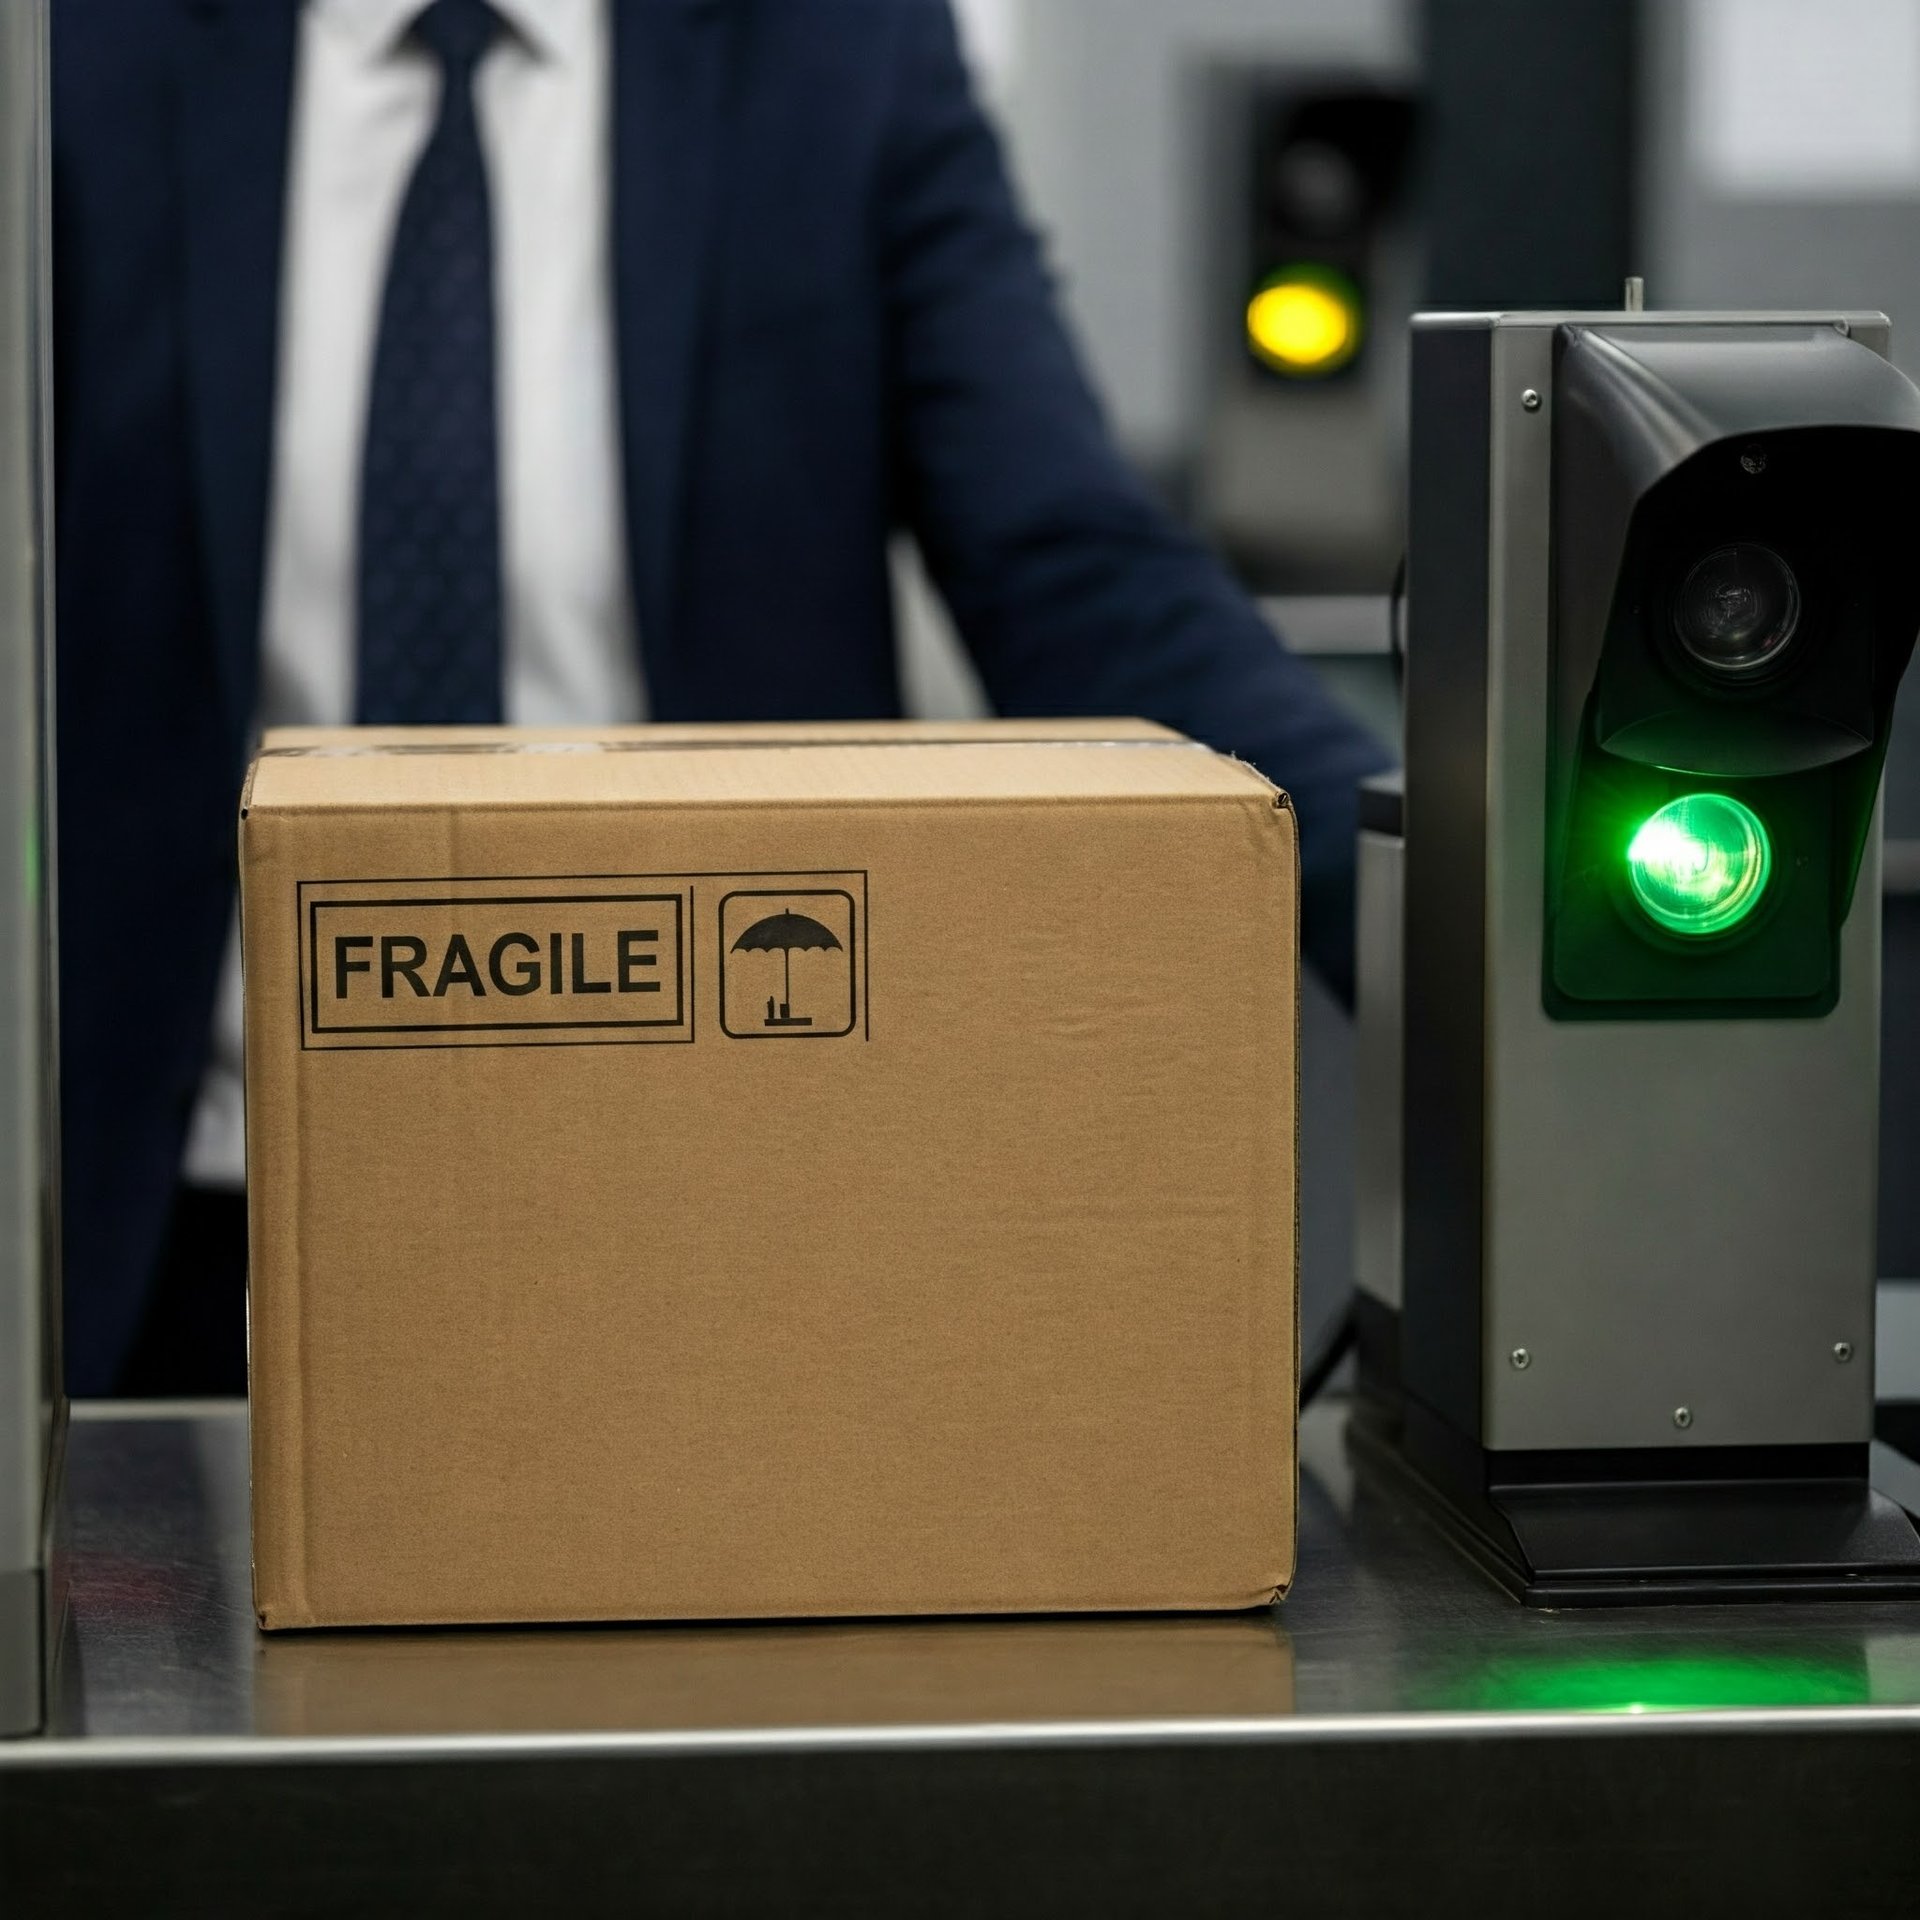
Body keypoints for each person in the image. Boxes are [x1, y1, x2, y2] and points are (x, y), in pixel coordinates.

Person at [53, 0, 1393, 1396]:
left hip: (717, 1216)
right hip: (192, 1226)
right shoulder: (87, 51)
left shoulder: (836, 53)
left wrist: (1438, 887)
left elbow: (1074, 567)